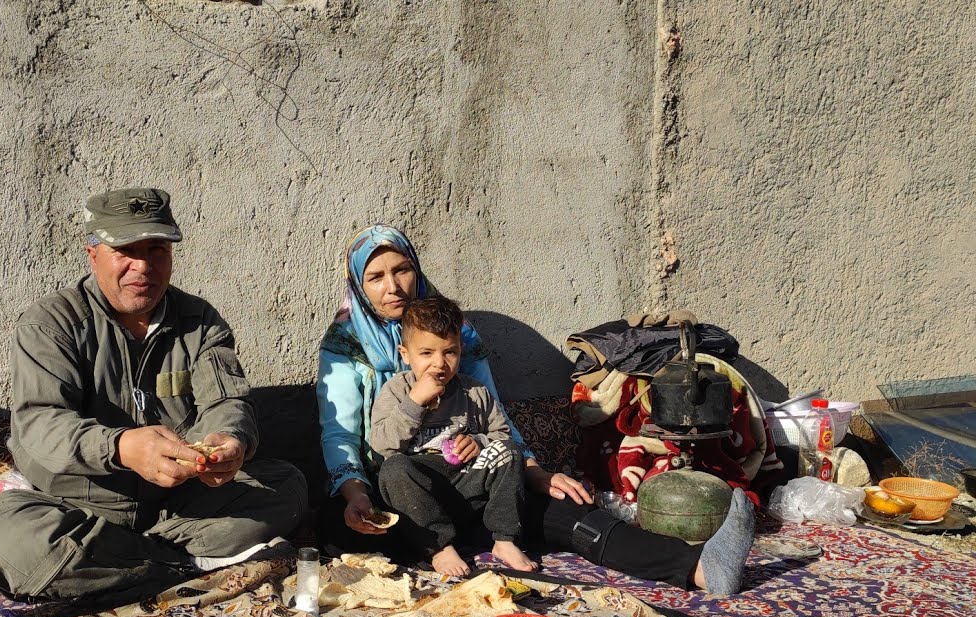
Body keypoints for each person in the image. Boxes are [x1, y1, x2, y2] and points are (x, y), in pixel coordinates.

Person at [316, 224, 755, 593]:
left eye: (402, 270)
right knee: (337, 529)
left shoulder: (458, 333)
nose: (393, 286)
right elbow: (341, 434)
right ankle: (434, 545)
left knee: (572, 515)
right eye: (376, 276)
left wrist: (535, 472)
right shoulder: (346, 344)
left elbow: (494, 418)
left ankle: (699, 568)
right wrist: (356, 495)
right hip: (397, 494)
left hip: (474, 486)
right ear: (359, 284)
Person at [0, 187, 307, 603]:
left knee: (287, 487)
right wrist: (120, 447)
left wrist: (229, 441)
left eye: (157, 251)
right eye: (126, 251)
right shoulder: (50, 324)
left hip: (178, 505)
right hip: (78, 507)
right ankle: (186, 563)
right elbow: (41, 423)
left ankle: (127, 564)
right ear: (93, 254)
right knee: (18, 540)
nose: (143, 266)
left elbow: (226, 402)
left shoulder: (200, 321)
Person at [370, 295, 538, 576]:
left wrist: (479, 442)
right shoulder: (397, 391)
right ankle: (439, 546)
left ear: (461, 351)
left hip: (466, 484)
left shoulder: (474, 392)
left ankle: (505, 539)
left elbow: (502, 434)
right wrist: (415, 402)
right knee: (394, 469)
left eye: (450, 352)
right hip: (423, 495)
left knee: (509, 451)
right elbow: (382, 445)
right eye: (426, 353)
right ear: (405, 354)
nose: (439, 363)